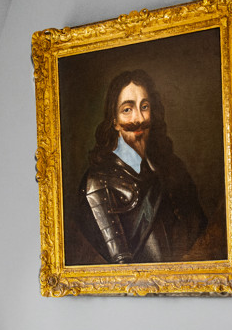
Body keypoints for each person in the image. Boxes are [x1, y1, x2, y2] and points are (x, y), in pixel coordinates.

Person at [78, 69, 208, 262]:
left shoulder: (173, 167)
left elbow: (198, 230)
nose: (139, 118)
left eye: (144, 107)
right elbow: (121, 264)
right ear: (114, 121)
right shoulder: (98, 183)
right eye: (127, 109)